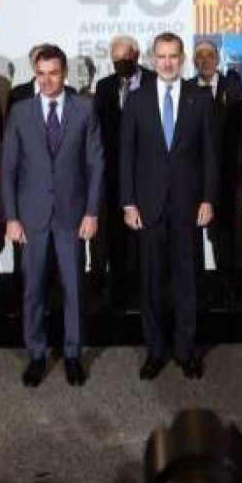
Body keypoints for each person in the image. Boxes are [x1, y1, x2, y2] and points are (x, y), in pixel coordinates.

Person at [2, 45, 104, 387]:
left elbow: (95, 164)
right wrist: (11, 217)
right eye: (41, 74)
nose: (46, 80)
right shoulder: (20, 111)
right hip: (31, 217)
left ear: (65, 74)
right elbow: (9, 169)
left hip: (72, 216)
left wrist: (91, 212)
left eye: (53, 73)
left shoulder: (85, 108)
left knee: (73, 288)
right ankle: (36, 354)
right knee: (32, 289)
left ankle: (73, 354)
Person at [121, 32, 217, 380]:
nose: (167, 62)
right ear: (152, 59)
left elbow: (211, 154)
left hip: (188, 206)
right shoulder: (136, 99)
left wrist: (208, 198)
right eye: (161, 56)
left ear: (182, 58)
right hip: (148, 207)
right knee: (151, 285)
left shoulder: (200, 97)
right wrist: (128, 203)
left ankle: (186, 351)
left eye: (173, 56)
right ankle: (155, 351)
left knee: (187, 282)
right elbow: (126, 155)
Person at [93, 35, 156, 306]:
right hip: (114, 174)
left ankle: (148, 291)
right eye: (116, 60)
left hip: (149, 173)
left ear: (137, 55)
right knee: (116, 235)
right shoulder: (104, 86)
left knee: (147, 236)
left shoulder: (155, 81)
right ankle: (118, 291)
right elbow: (99, 130)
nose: (121, 64)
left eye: (125, 58)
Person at [191, 40, 242, 305]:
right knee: (191, 235)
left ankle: (228, 287)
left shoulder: (233, 87)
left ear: (217, 58)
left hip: (225, 174)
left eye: (209, 55)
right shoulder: (186, 89)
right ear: (193, 61)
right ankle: (195, 288)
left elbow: (241, 133)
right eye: (199, 56)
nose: (205, 60)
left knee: (224, 233)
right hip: (192, 176)